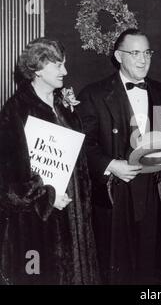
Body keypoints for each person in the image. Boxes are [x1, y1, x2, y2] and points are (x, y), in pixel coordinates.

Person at [77, 28, 161, 284]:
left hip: (155, 191)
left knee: (151, 268)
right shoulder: (93, 94)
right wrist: (111, 165)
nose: (143, 59)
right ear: (118, 56)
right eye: (135, 53)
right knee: (115, 268)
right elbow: (83, 144)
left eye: (147, 52)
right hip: (114, 192)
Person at [0, 38, 99, 284]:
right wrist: (48, 197)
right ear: (37, 68)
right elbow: (7, 185)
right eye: (57, 65)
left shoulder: (63, 106)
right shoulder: (15, 111)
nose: (65, 71)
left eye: (64, 64)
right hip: (41, 225)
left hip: (76, 218)